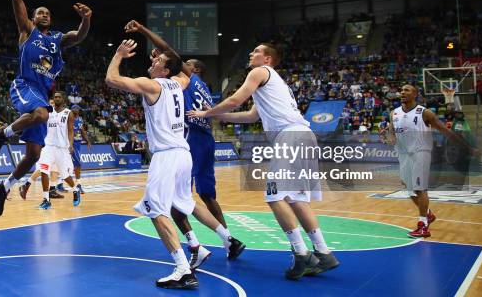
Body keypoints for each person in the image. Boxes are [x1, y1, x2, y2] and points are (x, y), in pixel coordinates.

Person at [188, 43, 340, 280]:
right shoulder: (272, 82)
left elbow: (237, 99)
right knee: (296, 198)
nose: (251, 54)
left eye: (256, 52)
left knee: (274, 196)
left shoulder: (258, 72)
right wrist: (218, 114)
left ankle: (301, 254)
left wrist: (206, 114)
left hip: (290, 136)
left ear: (268, 59)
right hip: (303, 135)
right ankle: (323, 252)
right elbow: (251, 115)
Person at [105, 39, 240, 290]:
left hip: (167, 155)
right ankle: (218, 242)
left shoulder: (151, 84)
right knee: (184, 203)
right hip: (183, 154)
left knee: (156, 210)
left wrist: (119, 54)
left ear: (166, 71)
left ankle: (182, 269)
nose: (152, 60)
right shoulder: (180, 83)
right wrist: (167, 60)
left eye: (157, 61)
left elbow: (112, 79)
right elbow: (182, 72)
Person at [0, 0, 92, 216]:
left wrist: (86, 20)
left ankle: (4, 186)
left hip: (41, 93)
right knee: (41, 114)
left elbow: (79, 36)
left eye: (47, 12)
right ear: (33, 18)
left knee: (34, 155)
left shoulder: (58, 39)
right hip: (24, 86)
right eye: (39, 12)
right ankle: (3, 134)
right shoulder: (27, 31)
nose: (44, 14)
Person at [385, 84, 478, 238]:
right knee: (409, 189)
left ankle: (423, 226)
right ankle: (428, 214)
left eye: (407, 90)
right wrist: (390, 138)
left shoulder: (425, 113)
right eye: (401, 90)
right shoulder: (393, 114)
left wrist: (468, 147)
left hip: (421, 152)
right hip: (404, 155)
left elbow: (446, 131)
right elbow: (391, 133)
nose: (402, 92)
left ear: (414, 94)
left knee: (420, 189)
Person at [18, 92, 82, 209]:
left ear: (63, 99)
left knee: (65, 175)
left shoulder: (69, 113)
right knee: (44, 170)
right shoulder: (47, 112)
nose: (57, 99)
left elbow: (70, 131)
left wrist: (71, 144)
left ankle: (75, 189)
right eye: (55, 97)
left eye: (59, 97)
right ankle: (46, 199)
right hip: (48, 146)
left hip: (62, 148)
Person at [65, 104, 91, 192]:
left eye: (79, 109)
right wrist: (69, 144)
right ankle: (78, 184)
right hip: (71, 144)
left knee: (68, 166)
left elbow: (82, 131)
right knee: (78, 164)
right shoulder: (68, 118)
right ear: (72, 109)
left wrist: (87, 141)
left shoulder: (80, 119)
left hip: (78, 144)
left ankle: (59, 184)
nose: (78, 110)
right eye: (77, 109)